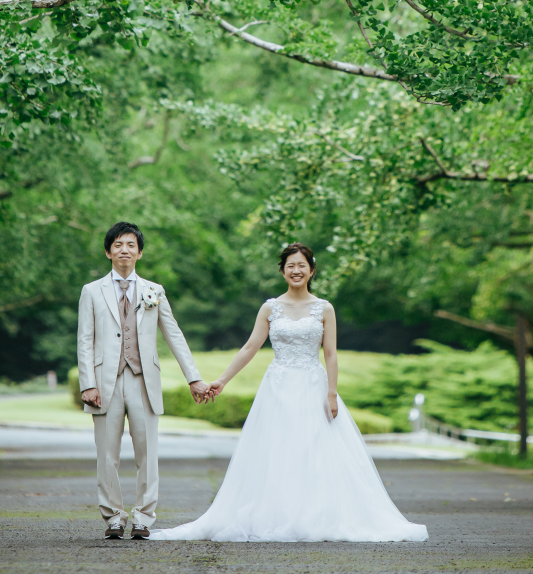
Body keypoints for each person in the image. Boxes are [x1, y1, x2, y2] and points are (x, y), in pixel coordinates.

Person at [150, 242, 429, 543]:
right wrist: (222, 380)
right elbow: (250, 347)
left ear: (311, 270)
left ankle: (316, 515)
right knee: (277, 450)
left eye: (302, 265)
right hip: (278, 388)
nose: (296, 271)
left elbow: (331, 353)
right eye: (290, 266)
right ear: (283, 271)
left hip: (313, 386)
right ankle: (276, 515)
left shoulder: (325, 308)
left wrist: (332, 393)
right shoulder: (270, 308)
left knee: (315, 450)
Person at [77, 221, 209, 539]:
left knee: (147, 453)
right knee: (106, 454)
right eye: (118, 245)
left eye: (131, 245)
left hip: (143, 381)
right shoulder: (92, 291)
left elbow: (173, 334)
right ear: (108, 251)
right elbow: (85, 339)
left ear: (139, 253)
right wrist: (87, 384)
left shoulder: (154, 291)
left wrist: (194, 378)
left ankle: (143, 518)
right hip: (105, 383)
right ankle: (112, 517)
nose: (125, 250)